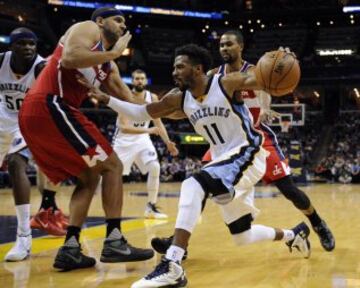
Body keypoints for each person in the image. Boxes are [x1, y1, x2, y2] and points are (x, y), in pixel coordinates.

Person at [81, 44, 311, 288]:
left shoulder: (226, 83)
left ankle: (173, 264)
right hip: (224, 161)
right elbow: (141, 113)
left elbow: (261, 79)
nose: (174, 72)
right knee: (243, 235)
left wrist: (282, 62)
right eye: (173, 68)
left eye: (180, 66)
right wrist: (106, 99)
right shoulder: (178, 99)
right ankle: (294, 234)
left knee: (193, 183)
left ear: (198, 69)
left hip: (248, 152)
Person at [151, 30, 335, 257]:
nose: (224, 49)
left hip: (258, 136)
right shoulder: (213, 75)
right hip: (226, 141)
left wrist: (265, 107)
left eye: (229, 44)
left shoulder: (255, 70)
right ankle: (178, 242)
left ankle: (317, 223)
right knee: (201, 184)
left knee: (288, 189)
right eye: (221, 45)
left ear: (241, 47)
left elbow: (267, 88)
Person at [18, 7, 154, 271]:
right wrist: (115, 52)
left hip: (47, 113)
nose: (123, 25)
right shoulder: (88, 28)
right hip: (50, 104)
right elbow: (69, 58)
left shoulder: (108, 66)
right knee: (113, 165)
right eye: (118, 20)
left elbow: (133, 103)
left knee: (89, 176)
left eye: (125, 22)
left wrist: (177, 105)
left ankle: (70, 248)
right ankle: (114, 241)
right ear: (101, 21)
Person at [0, 28, 66, 262]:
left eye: (32, 44)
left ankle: (23, 237)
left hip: (27, 121)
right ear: (12, 46)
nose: (28, 48)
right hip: (2, 120)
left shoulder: (40, 68)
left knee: (17, 163)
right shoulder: (1, 62)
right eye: (23, 44)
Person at [113, 69, 178, 219]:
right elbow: (123, 127)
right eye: (136, 79)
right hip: (123, 141)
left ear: (146, 81)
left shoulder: (152, 97)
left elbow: (158, 122)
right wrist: (147, 130)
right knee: (113, 177)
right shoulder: (125, 97)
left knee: (154, 167)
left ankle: (151, 207)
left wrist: (168, 142)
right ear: (132, 81)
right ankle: (111, 209)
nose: (139, 81)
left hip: (142, 140)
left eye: (142, 78)